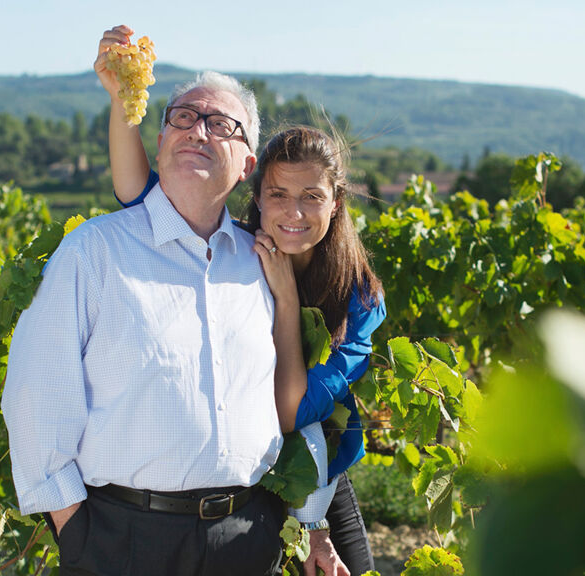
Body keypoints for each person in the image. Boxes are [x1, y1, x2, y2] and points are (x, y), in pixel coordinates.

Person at [2, 33, 343, 576]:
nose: (197, 130)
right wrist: (78, 533)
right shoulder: (94, 251)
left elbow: (295, 412)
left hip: (249, 539)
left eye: (220, 124)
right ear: (159, 141)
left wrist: (312, 524)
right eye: (183, 117)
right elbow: (35, 393)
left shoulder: (265, 264)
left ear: (247, 164)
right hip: (123, 543)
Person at [106, 28, 386, 575]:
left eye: (312, 197)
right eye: (278, 194)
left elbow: (293, 414)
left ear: (336, 203)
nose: (293, 213)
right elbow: (138, 194)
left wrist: (285, 301)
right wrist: (122, 98)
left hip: (317, 477)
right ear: (254, 193)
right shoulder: (231, 253)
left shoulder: (359, 299)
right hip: (244, 482)